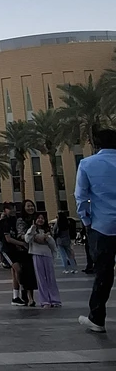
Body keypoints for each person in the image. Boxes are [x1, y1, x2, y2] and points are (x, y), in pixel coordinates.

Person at [76, 128, 116, 334]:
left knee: (103, 273)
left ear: (96, 143)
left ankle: (97, 318)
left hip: (102, 227)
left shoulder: (87, 164)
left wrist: (86, 220)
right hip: (103, 226)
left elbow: (81, 197)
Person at [25, 211, 62, 308]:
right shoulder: (32, 230)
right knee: (41, 279)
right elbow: (27, 239)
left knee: (51, 278)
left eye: (42, 218)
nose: (40, 220)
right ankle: (45, 301)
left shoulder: (47, 230)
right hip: (36, 255)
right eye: (38, 218)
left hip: (47, 255)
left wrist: (47, 237)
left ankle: (55, 300)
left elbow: (53, 245)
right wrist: (32, 228)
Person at [17, 200, 39, 306]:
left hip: (38, 250)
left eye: (32, 206)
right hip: (26, 251)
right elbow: (21, 234)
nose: (31, 208)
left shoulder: (37, 219)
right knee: (28, 274)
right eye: (28, 206)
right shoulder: (21, 220)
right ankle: (30, 298)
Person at [53, 209, 77, 274]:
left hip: (59, 240)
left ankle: (66, 269)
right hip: (67, 240)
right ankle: (74, 268)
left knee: (63, 255)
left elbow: (54, 231)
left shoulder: (57, 223)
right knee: (70, 255)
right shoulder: (67, 222)